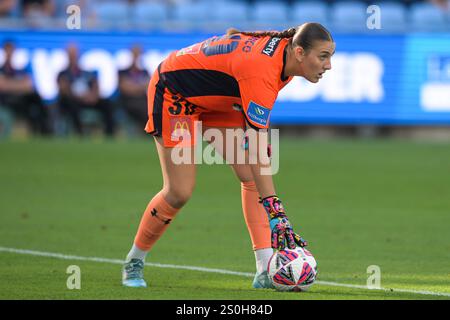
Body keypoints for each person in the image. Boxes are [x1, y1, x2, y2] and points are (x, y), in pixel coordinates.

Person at [122, 22, 335, 288]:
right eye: (323, 56)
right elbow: (256, 141)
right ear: (300, 52)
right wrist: (276, 211)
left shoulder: (286, 60)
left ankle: (264, 270)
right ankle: (134, 261)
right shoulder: (264, 69)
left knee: (253, 176)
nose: (328, 65)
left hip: (219, 99)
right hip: (176, 93)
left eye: (330, 57)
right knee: (179, 191)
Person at [57, 44, 116, 137]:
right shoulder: (63, 73)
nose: (73, 57)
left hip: (88, 99)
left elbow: (96, 85)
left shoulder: (86, 72)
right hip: (74, 101)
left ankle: (110, 133)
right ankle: (80, 133)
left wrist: (93, 96)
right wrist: (80, 97)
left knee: (106, 103)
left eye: (75, 54)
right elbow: (63, 89)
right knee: (70, 104)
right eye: (71, 54)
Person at [0, 40, 52, 135]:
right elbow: (2, 87)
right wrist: (18, 85)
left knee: (35, 98)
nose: (9, 53)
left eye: (11, 50)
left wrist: (10, 84)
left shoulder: (19, 70)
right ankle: (44, 130)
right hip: (6, 101)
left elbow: (29, 86)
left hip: (21, 99)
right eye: (7, 50)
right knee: (31, 100)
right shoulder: (2, 70)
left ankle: (44, 128)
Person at [118, 45, 150, 130]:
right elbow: (126, 89)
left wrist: (134, 87)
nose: (137, 57)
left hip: (143, 100)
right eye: (135, 54)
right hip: (128, 101)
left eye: (139, 54)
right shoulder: (123, 72)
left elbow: (148, 86)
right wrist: (140, 87)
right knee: (145, 109)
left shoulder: (145, 72)